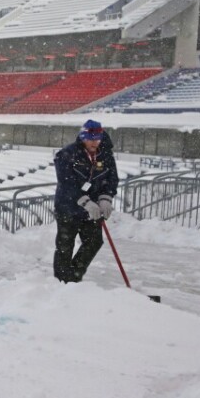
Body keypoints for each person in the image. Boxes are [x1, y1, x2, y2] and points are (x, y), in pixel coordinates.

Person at [53, 119, 119, 284]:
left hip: (93, 210)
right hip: (68, 207)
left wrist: (105, 198)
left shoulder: (105, 154)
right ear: (82, 137)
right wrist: (84, 201)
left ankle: (73, 277)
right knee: (65, 246)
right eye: (90, 139)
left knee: (94, 242)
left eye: (97, 138)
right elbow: (66, 182)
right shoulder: (67, 154)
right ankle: (61, 282)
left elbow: (112, 179)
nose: (94, 142)